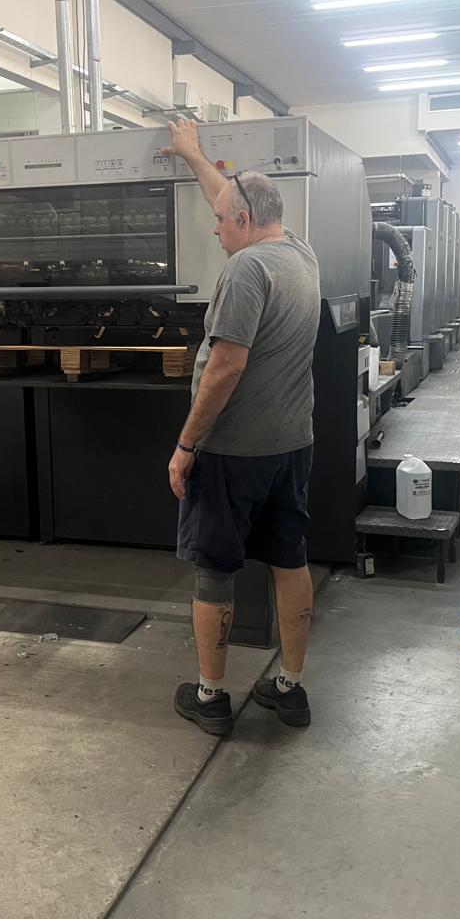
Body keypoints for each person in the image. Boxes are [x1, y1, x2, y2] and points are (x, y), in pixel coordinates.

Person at [161, 117, 319, 737]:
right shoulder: (298, 253)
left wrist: (186, 445)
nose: (215, 228)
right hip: (292, 444)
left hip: (233, 452)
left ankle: (211, 697)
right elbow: (229, 199)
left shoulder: (246, 271)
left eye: (222, 222)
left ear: (245, 223)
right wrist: (193, 156)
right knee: (289, 560)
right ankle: (290, 687)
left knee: (214, 569)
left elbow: (226, 366)